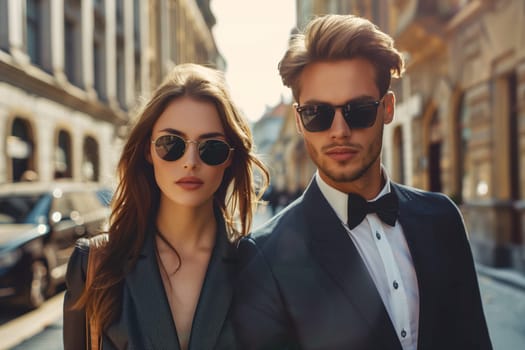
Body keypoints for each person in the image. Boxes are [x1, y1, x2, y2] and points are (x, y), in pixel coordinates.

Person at [233, 14, 492, 350]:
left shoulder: (443, 218)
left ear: (386, 108)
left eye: (357, 110)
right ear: (298, 121)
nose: (339, 130)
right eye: (317, 114)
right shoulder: (264, 256)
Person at [63, 63, 268, 350]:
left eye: (211, 147)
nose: (190, 161)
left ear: (230, 158)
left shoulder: (261, 268)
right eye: (171, 144)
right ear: (148, 149)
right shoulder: (95, 265)